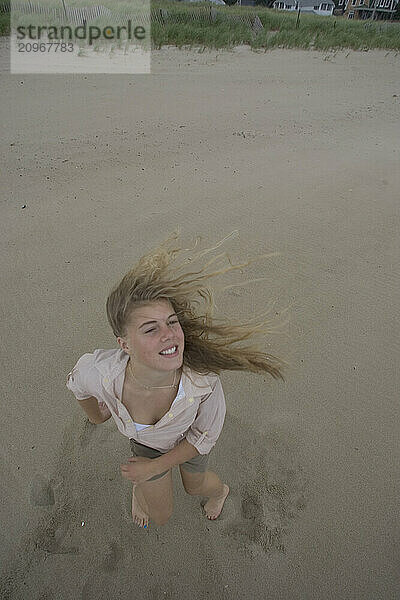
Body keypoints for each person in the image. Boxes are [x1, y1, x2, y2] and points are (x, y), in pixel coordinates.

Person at [66, 229, 287, 529]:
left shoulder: (203, 382)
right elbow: (77, 381)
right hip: (146, 445)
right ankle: (141, 485)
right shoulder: (102, 374)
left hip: (188, 441)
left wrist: (154, 468)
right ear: (124, 345)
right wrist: (97, 415)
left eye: (172, 322)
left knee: (195, 486)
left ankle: (220, 492)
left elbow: (202, 436)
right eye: (150, 328)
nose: (170, 334)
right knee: (161, 515)